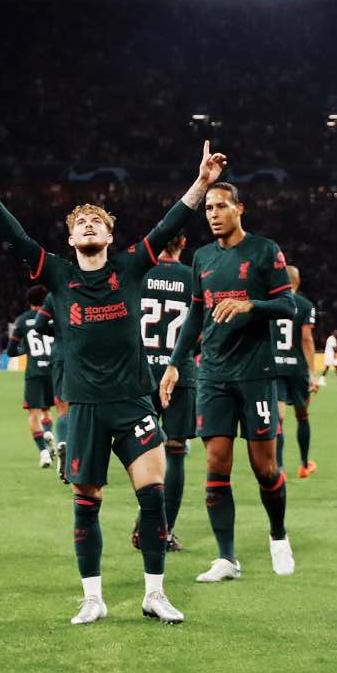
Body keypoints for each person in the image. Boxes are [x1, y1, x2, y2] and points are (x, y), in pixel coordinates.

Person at [0, 142, 227, 625]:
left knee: (153, 495)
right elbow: (16, 237)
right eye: (80, 222)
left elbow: (168, 224)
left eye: (96, 221)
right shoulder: (58, 274)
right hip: (85, 407)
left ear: (110, 234)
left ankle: (155, 593)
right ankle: (93, 598)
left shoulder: (129, 267)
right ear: (70, 239)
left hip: (133, 402)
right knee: (87, 503)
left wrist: (201, 183)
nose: (88, 225)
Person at [161, 182, 297, 582]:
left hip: (255, 374)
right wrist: (174, 363)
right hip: (213, 374)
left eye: (221, 206)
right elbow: (195, 316)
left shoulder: (265, 250)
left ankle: (278, 535)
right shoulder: (202, 258)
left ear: (239, 208)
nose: (213, 214)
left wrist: (250, 304)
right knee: (216, 463)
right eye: (208, 209)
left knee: (264, 468)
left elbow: (288, 305)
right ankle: (226, 558)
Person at [130, 233, 196, 552]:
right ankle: (162, 532)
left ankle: (146, 521)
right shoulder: (194, 277)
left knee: (142, 452)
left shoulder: (138, 273)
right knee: (176, 451)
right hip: (178, 372)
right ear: (183, 243)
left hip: (138, 375)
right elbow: (201, 328)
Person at [272, 265, 318, 479]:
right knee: (302, 415)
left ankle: (279, 468)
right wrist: (313, 373)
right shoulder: (305, 305)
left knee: (278, 419)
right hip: (297, 369)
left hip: (275, 367)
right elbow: (307, 339)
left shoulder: (271, 304)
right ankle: (304, 465)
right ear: (297, 282)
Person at [6, 284, 57, 468]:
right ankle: (48, 432)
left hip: (34, 373)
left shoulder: (22, 320)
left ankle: (43, 453)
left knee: (33, 414)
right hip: (53, 370)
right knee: (48, 410)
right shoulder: (54, 317)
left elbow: (11, 351)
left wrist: (25, 350)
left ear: (29, 301)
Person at [31, 292, 70, 479]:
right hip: (86, 356)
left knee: (63, 409)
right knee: (84, 408)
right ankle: (81, 455)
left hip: (61, 355)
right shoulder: (91, 287)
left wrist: (59, 330)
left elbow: (39, 325)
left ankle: (62, 443)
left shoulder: (55, 294)